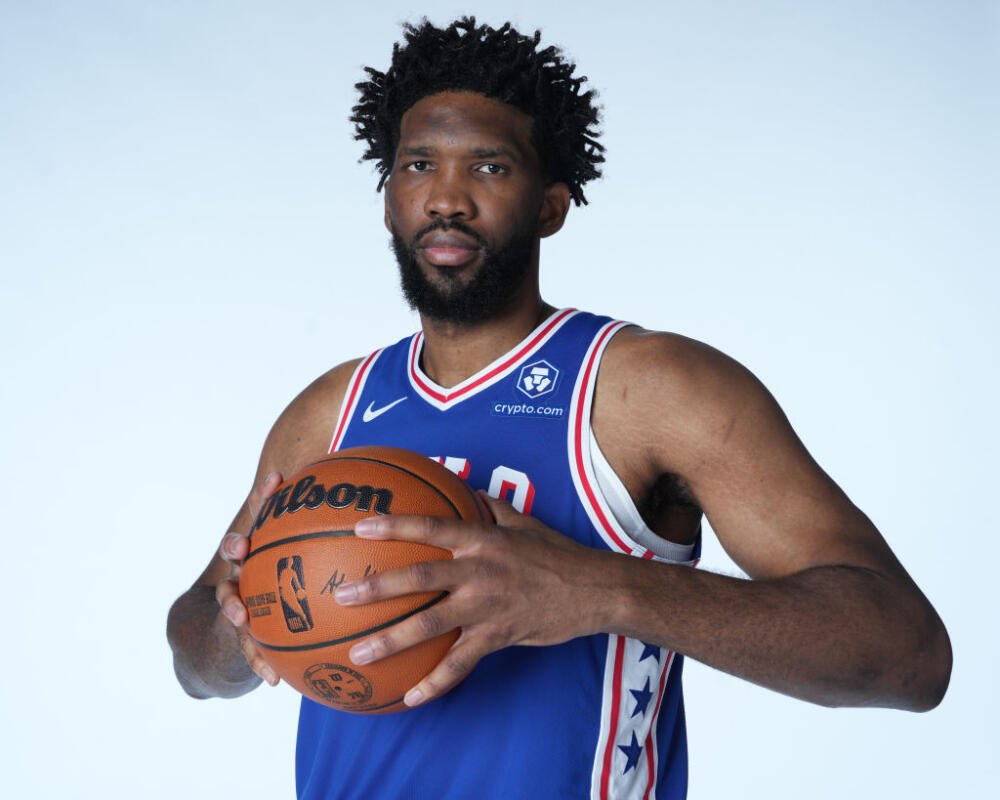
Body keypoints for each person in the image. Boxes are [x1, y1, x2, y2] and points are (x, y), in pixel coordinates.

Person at [166, 17, 951, 800]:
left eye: (489, 166)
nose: (446, 198)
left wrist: (599, 589)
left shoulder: (651, 389)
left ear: (550, 206)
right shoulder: (330, 413)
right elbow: (195, 651)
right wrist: (247, 629)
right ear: (388, 199)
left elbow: (909, 654)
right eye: (419, 165)